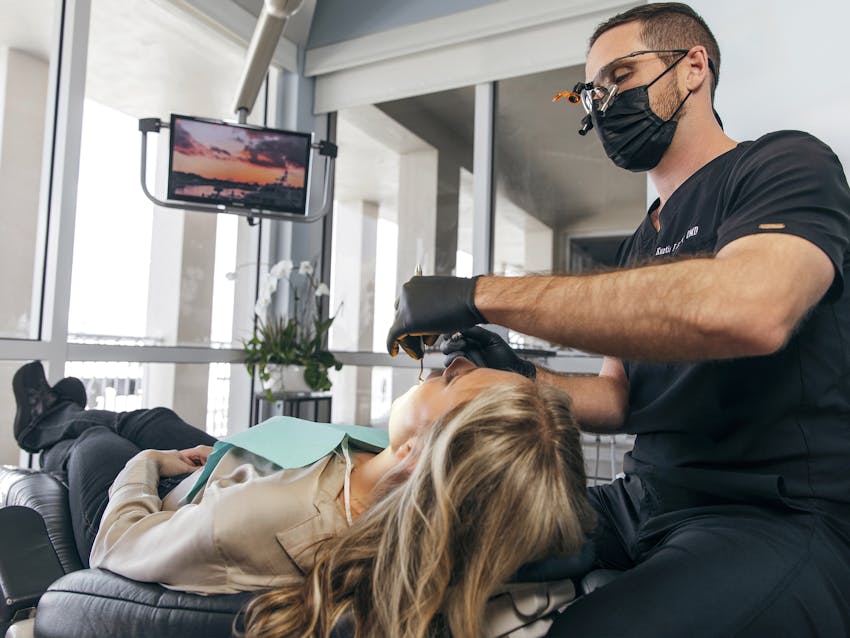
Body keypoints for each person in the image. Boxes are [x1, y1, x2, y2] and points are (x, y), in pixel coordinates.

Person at [387, 3, 850, 637]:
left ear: (693, 69)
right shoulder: (641, 243)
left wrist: (481, 294)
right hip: (644, 502)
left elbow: (751, 310)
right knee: (416, 546)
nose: (603, 104)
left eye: (622, 77)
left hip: (769, 512)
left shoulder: (781, 166)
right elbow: (617, 397)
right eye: (591, 93)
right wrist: (519, 377)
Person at [11, 359, 595, 606]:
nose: (451, 365)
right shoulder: (394, 474)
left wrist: (146, 468)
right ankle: (67, 410)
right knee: (153, 418)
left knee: (103, 446)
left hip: (163, 512)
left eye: (455, 382)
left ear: (419, 457)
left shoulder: (259, 521)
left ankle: (55, 424)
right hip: (238, 467)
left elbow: (116, 546)